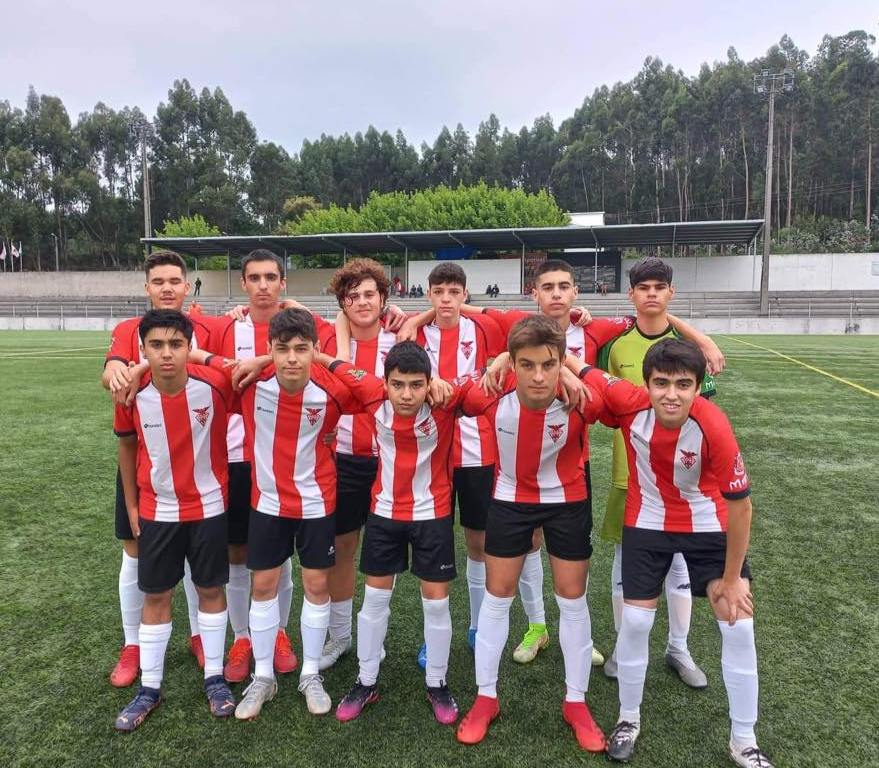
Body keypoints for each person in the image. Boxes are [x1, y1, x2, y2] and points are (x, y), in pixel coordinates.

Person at [571, 340, 771, 768]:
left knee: (738, 625)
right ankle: (628, 718)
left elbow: (742, 507)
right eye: (661, 383)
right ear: (646, 384)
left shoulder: (713, 424)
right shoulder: (628, 402)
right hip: (647, 522)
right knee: (636, 622)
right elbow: (583, 369)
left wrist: (732, 578)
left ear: (699, 387)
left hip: (707, 523)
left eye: (683, 384)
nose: (671, 394)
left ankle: (744, 740)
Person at [455, 316, 607, 752]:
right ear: (513, 364)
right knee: (497, 596)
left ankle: (576, 702)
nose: (539, 376)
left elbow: (605, 403)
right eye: (527, 364)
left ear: (561, 362)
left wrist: (573, 371)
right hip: (510, 499)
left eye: (548, 364)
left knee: (572, 599)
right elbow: (458, 398)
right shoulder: (492, 390)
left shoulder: (581, 397)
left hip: (568, 500)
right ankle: (486, 698)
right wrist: (496, 362)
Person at [209, 309, 360, 719]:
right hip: (268, 503)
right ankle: (263, 677)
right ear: (269, 350)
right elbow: (197, 363)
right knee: (263, 586)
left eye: (301, 349)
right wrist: (259, 362)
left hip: (316, 503)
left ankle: (311, 674)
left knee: (316, 584)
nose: (292, 358)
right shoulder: (249, 384)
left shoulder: (333, 390)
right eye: (282, 349)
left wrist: (325, 360)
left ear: (315, 349)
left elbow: (372, 389)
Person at [320, 342, 470, 725]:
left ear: (429, 384)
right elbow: (335, 364)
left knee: (436, 604)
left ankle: (437, 682)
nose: (406, 394)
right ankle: (366, 680)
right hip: (384, 514)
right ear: (384, 383)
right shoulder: (371, 393)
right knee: (373, 600)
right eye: (398, 385)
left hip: (432, 515)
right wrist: (313, 354)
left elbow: (494, 377)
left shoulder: (447, 400)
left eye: (416, 385)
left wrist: (455, 379)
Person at [203, 249, 333, 684]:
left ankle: (278, 632)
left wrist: (264, 358)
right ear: (243, 283)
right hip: (233, 459)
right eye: (254, 277)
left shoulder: (304, 325)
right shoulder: (225, 327)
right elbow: (205, 365)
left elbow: (328, 348)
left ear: (282, 282)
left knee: (282, 557)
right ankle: (243, 637)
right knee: (240, 554)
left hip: (287, 465)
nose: (262, 285)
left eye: (270, 277)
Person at [597, 257, 719, 689]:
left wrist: (701, 337)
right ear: (631, 294)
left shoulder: (690, 348)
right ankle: (623, 646)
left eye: (659, 287)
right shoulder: (615, 346)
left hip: (683, 480)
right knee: (624, 561)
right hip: (628, 475)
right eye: (643, 287)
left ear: (671, 292)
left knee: (679, 564)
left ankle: (678, 648)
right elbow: (605, 402)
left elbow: (704, 413)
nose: (651, 294)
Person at [113, 310, 236, 731]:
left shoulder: (215, 385)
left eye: (176, 344)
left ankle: (215, 678)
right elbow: (126, 448)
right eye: (156, 345)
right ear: (142, 349)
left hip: (208, 508)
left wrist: (205, 357)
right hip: (157, 509)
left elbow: (246, 370)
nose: (166, 353)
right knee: (156, 595)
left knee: (210, 589)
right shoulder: (132, 394)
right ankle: (149, 687)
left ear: (189, 347)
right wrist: (132, 506)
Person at [102, 250, 216, 686]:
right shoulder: (128, 329)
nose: (167, 288)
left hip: (196, 464)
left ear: (187, 286)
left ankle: (200, 636)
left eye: (174, 281)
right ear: (147, 287)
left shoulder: (210, 327)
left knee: (196, 559)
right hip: (146, 465)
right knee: (135, 552)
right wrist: (121, 370)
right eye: (158, 281)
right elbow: (112, 372)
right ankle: (132, 644)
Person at [318, 259, 400, 671]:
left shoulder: (403, 338)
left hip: (391, 462)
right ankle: (340, 636)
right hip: (345, 461)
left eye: (370, 294)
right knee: (342, 550)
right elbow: (284, 310)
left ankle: (374, 637)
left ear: (383, 298)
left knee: (383, 556)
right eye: (352, 297)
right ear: (342, 304)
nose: (362, 302)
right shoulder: (327, 340)